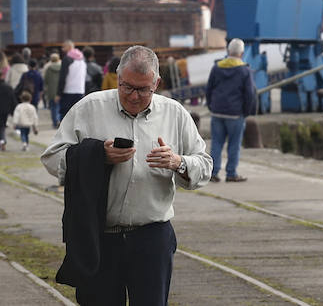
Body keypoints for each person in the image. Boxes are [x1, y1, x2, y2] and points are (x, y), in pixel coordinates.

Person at [41, 44, 211, 304]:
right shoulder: (90, 107)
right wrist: (97, 157)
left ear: (156, 83)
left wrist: (179, 162)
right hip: (99, 237)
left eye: (143, 89)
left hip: (151, 237)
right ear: (118, 79)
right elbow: (52, 158)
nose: (133, 96)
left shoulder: (175, 113)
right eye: (127, 87)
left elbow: (205, 165)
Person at [206, 38, 258, 183]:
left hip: (217, 112)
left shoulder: (216, 67)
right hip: (235, 114)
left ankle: (213, 172)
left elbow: (209, 88)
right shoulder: (245, 70)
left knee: (216, 143)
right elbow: (250, 94)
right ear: (241, 54)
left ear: (228, 51)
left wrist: (211, 106)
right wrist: (246, 111)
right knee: (234, 145)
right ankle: (231, 173)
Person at [58, 40, 87, 117]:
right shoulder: (82, 59)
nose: (62, 49)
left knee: (65, 116)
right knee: (78, 115)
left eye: (64, 47)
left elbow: (62, 77)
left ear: (69, 47)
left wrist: (58, 93)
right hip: (80, 90)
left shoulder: (67, 59)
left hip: (68, 91)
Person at [43, 52, 62, 127]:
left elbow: (46, 80)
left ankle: (55, 122)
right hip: (60, 90)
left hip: (51, 91)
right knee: (60, 107)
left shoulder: (48, 68)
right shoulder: (62, 67)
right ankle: (59, 121)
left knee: (53, 107)